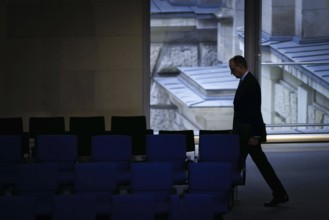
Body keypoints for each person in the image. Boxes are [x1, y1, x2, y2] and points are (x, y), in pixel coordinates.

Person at [229, 55, 289, 207]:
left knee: (235, 164)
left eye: (232, 69)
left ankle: (221, 195)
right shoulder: (246, 82)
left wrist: (256, 135)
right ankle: (280, 193)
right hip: (245, 133)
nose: (231, 73)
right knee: (259, 164)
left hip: (248, 135)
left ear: (241, 66)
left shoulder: (250, 84)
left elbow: (254, 112)